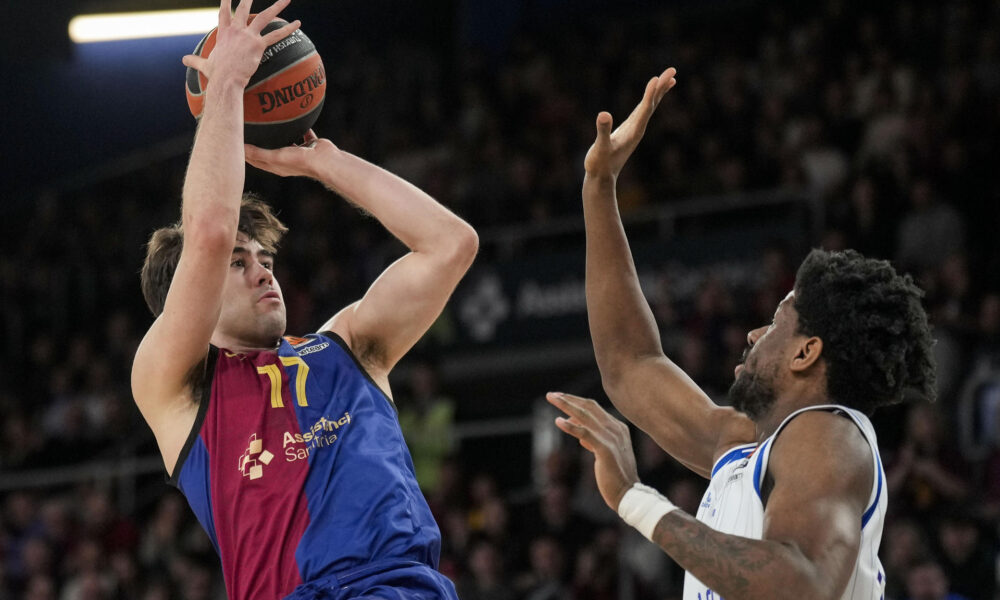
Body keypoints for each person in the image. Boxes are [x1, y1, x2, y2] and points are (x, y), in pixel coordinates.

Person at [130, 1, 477, 599]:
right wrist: (228, 87)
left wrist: (327, 164)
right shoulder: (175, 386)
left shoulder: (348, 348)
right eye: (239, 264)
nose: (263, 273)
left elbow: (451, 244)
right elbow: (208, 234)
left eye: (265, 260)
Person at [547, 68, 936, 599]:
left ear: (806, 351)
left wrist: (638, 500)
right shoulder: (745, 445)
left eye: (775, 321)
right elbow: (631, 362)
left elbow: (803, 585)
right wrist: (599, 188)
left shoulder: (831, 436)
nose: (755, 334)